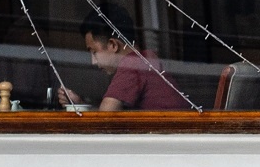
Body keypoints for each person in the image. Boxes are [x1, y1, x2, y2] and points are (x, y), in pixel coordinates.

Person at [58, 7, 189, 112]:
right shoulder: (146, 59)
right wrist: (81, 104)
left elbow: (105, 119)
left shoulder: (133, 64)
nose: (94, 61)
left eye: (94, 52)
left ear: (113, 45)